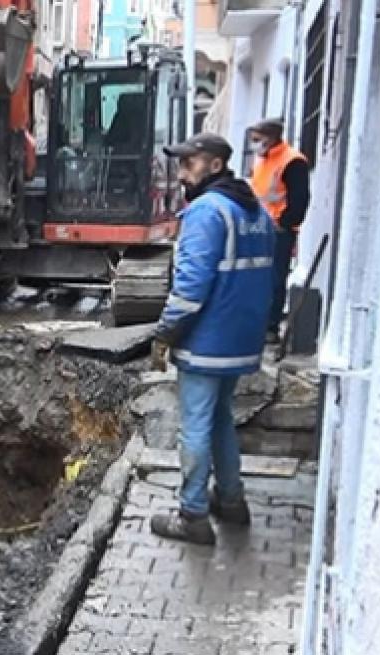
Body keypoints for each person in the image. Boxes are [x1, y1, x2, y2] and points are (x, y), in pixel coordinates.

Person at [149, 132, 275, 545]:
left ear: (216, 165)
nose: (182, 174)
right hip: (241, 339)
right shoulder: (256, 211)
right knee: (221, 418)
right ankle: (232, 501)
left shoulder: (206, 212)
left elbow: (190, 287)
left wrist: (165, 333)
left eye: (190, 164)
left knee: (195, 426)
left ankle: (193, 515)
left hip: (208, 341)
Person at [247, 118, 309, 342]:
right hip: (258, 227)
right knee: (256, 277)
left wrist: (285, 222)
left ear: (271, 138)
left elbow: (299, 198)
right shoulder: (262, 160)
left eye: (257, 139)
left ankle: (270, 327)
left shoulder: (292, 161)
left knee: (273, 278)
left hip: (278, 230)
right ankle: (255, 323)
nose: (254, 144)